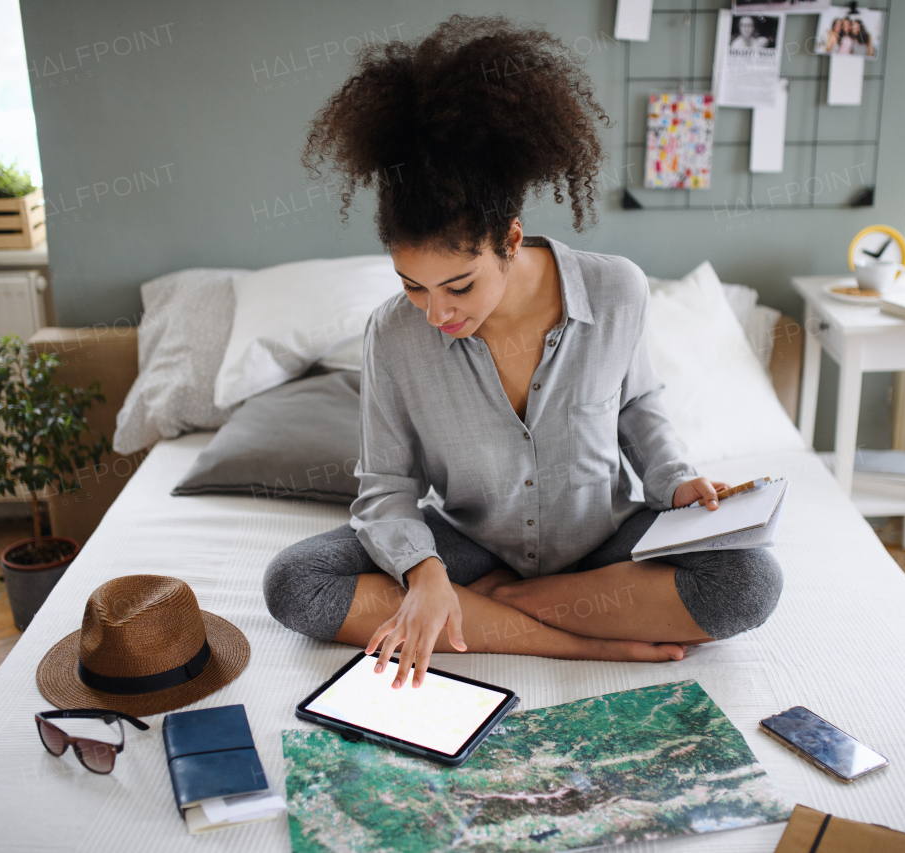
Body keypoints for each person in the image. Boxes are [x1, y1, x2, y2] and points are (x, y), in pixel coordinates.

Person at [265, 14, 783, 690]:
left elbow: (639, 407)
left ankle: (507, 607)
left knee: (750, 579)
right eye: (412, 286)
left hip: (604, 542)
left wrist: (679, 482)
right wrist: (424, 574)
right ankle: (575, 641)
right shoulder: (392, 333)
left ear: (509, 242)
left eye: (458, 285)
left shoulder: (616, 289)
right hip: (472, 545)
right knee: (295, 583)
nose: (437, 312)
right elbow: (387, 487)